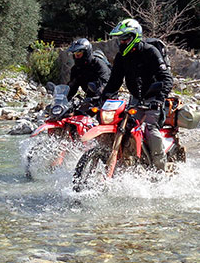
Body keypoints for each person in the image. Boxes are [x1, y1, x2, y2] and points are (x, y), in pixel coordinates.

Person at [99, 18, 174, 170]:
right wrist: (103, 98)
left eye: (125, 38)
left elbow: (166, 78)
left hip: (153, 100)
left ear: (135, 37)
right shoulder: (121, 57)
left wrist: (159, 99)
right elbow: (114, 82)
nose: (122, 42)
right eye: (120, 39)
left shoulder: (150, 52)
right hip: (135, 100)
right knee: (121, 126)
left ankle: (160, 168)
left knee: (150, 130)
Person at [66, 38, 111, 103]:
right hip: (90, 98)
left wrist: (98, 95)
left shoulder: (98, 64)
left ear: (86, 53)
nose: (77, 57)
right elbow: (72, 87)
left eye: (78, 54)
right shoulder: (76, 69)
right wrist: (62, 99)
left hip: (107, 97)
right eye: (75, 54)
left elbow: (105, 82)